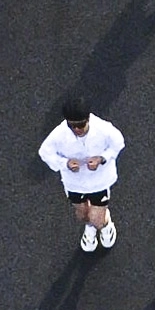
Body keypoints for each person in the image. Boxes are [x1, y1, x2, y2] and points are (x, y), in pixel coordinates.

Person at [38, 99, 124, 251]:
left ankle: (105, 224)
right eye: (72, 126)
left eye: (81, 125)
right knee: (82, 215)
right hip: (74, 184)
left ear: (88, 119)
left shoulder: (104, 129)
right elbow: (45, 153)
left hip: (99, 182)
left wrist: (102, 158)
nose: (77, 129)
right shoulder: (59, 134)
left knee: (97, 219)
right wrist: (64, 163)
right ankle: (90, 225)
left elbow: (118, 143)